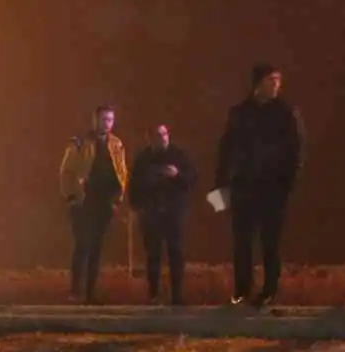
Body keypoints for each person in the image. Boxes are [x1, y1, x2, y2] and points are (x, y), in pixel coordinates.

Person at [213, 63, 306, 307]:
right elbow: (226, 150)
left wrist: (287, 184)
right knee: (242, 242)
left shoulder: (286, 113)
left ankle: (269, 290)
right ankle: (242, 290)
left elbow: (295, 151)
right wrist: (220, 187)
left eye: (278, 80)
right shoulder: (240, 113)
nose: (276, 85)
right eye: (270, 80)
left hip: (273, 189)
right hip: (243, 187)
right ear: (257, 84)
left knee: (270, 242)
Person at [59, 104, 129, 304]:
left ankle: (91, 293)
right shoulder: (80, 143)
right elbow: (66, 171)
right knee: (82, 244)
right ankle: (75, 291)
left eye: (110, 119)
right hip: (82, 201)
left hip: (104, 203)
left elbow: (123, 172)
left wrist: (118, 199)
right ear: (95, 120)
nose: (107, 123)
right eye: (103, 119)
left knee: (96, 247)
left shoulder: (116, 144)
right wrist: (71, 197)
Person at [127, 123, 198, 305]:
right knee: (153, 255)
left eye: (164, 134)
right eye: (157, 135)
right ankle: (154, 294)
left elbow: (192, 178)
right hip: (151, 213)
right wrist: (137, 207)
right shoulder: (143, 158)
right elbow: (133, 185)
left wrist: (177, 174)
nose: (162, 138)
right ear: (149, 138)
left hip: (174, 212)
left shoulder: (178, 155)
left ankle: (177, 295)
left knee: (176, 254)